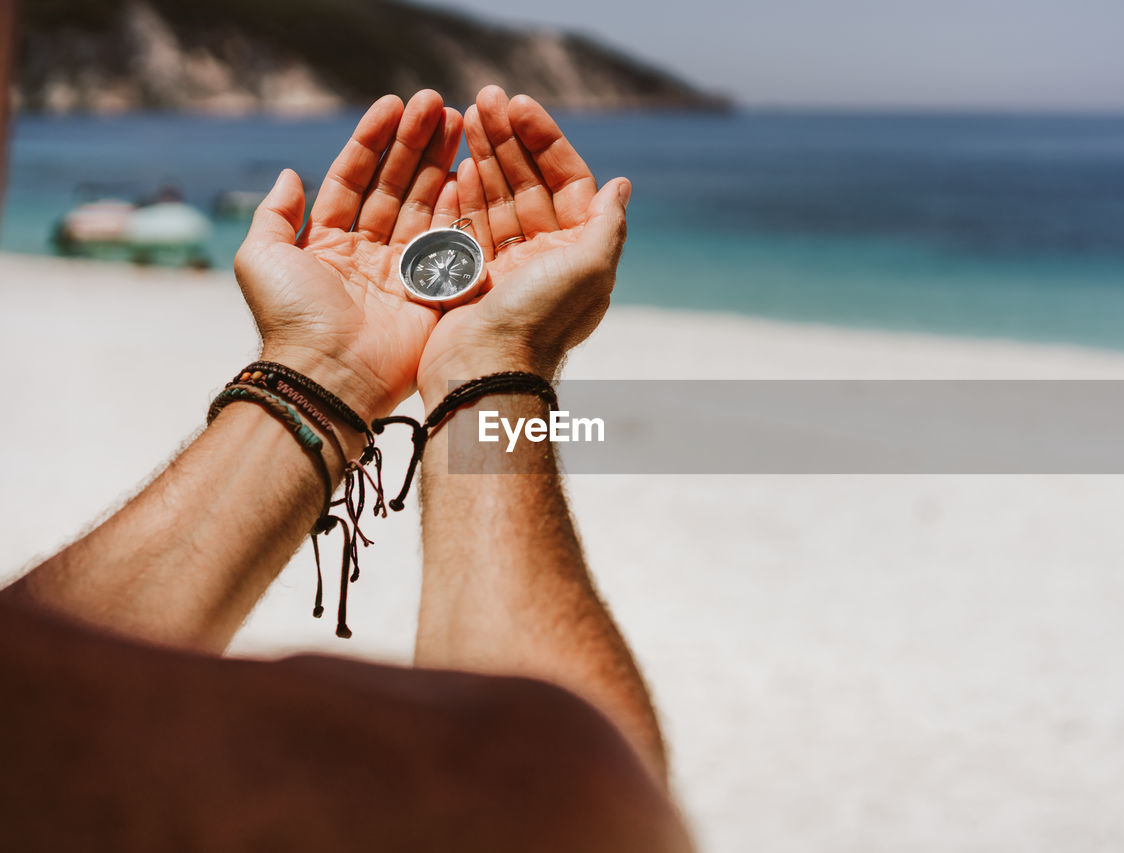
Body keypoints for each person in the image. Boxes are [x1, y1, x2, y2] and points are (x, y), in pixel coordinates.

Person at [0, 86, 693, 852]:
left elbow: (42, 674)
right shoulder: (534, 781)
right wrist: (498, 364)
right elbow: (585, 807)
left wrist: (324, 366)